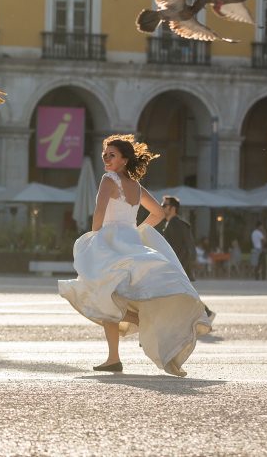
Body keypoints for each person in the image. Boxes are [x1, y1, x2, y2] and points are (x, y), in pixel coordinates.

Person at [58, 134, 212, 377]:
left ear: (125, 159)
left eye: (112, 155)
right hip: (128, 240)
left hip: (109, 241)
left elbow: (98, 213)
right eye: (105, 155)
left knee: (103, 293)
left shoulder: (108, 180)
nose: (106, 159)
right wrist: (137, 232)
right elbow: (159, 213)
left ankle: (125, 342)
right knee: (106, 296)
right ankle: (113, 357)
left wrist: (94, 237)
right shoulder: (136, 186)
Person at [161, 196, 196, 281]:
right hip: (177, 270)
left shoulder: (177, 225)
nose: (162, 207)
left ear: (173, 208)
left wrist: (178, 269)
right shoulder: (173, 224)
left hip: (177, 271)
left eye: (164, 205)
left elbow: (187, 249)